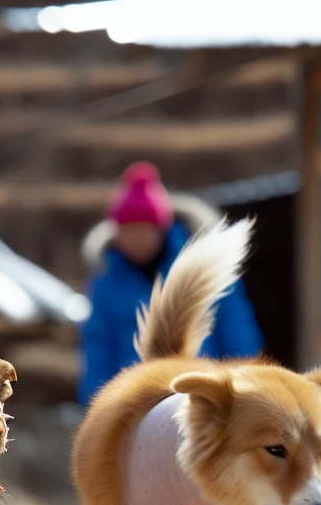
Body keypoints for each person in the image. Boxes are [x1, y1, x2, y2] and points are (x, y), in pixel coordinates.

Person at [78, 162, 264, 404]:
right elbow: (97, 348)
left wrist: (246, 384)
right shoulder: (105, 283)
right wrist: (96, 404)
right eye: (128, 230)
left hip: (201, 392)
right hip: (134, 400)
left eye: (143, 229)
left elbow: (235, 327)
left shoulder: (201, 268)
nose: (136, 238)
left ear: (161, 227)